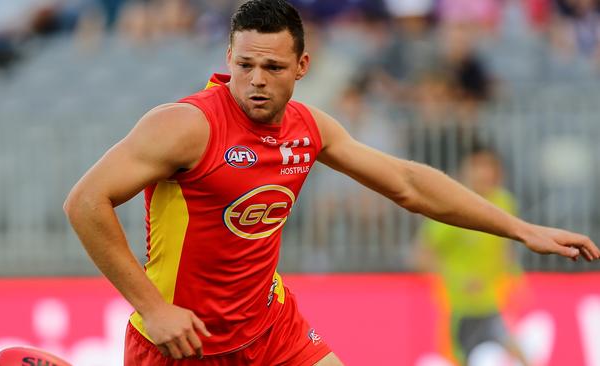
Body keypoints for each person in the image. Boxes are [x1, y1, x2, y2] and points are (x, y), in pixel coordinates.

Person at [63, 1, 600, 365]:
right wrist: (154, 310)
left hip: (272, 327)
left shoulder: (310, 129)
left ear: (302, 66)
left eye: (272, 66)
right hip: (179, 339)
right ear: (228, 57)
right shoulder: (184, 126)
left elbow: (408, 183)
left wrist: (519, 228)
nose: (255, 78)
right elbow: (86, 202)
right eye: (245, 63)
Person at [414, 148, 528, 365]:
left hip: (492, 301)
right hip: (460, 307)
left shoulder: (504, 202)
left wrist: (514, 276)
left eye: (488, 166)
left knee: (519, 354)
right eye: (477, 166)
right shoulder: (452, 207)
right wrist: (458, 279)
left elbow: (504, 247)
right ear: (465, 170)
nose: (483, 173)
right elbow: (422, 256)